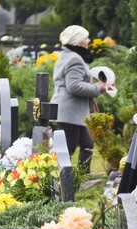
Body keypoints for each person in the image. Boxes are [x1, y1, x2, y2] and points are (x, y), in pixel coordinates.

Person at [50, 25, 105, 174]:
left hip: (73, 113)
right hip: (70, 113)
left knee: (87, 144)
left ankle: (82, 177)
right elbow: (74, 86)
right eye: (86, 38)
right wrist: (98, 88)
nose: (89, 40)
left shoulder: (68, 55)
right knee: (67, 149)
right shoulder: (74, 59)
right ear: (79, 41)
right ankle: (56, 179)